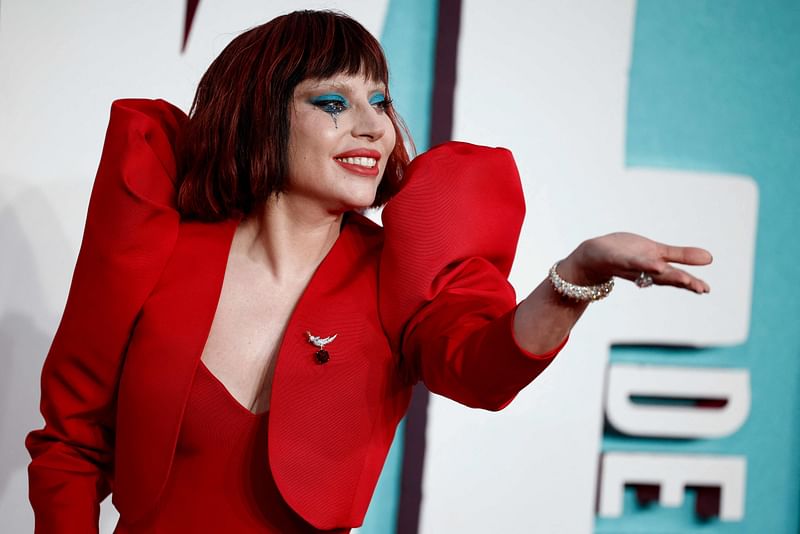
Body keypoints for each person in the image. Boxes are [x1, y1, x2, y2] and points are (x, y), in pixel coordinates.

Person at [25, 9, 712, 534]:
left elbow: (483, 364)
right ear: (262, 117)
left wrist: (576, 274)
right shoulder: (157, 244)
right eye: (333, 103)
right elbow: (70, 444)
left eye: (380, 101)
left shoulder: (395, 271)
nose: (373, 127)